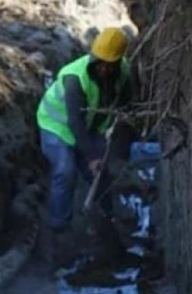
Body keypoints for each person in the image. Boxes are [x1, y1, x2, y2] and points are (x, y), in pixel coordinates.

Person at [35, 27, 133, 260]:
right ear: (94, 56)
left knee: (101, 176)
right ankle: (60, 230)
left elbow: (126, 103)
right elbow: (75, 122)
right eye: (101, 62)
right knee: (66, 171)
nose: (105, 68)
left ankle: (107, 222)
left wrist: (117, 136)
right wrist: (91, 157)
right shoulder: (74, 78)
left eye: (111, 64)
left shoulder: (124, 72)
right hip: (56, 126)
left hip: (91, 128)